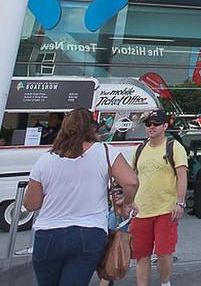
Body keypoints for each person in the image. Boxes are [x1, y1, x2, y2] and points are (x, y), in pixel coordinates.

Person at [24, 108, 139, 286]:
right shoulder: (105, 152)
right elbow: (131, 181)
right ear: (91, 128)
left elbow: (31, 204)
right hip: (89, 231)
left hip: (48, 234)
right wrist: (128, 203)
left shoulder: (46, 159)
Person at [132, 109, 189, 286]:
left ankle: (165, 283)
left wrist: (180, 202)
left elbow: (182, 176)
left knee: (164, 253)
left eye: (155, 124)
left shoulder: (173, 147)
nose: (151, 127)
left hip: (166, 209)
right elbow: (133, 177)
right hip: (141, 209)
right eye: (148, 124)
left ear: (165, 126)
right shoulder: (140, 149)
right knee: (141, 255)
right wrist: (128, 201)